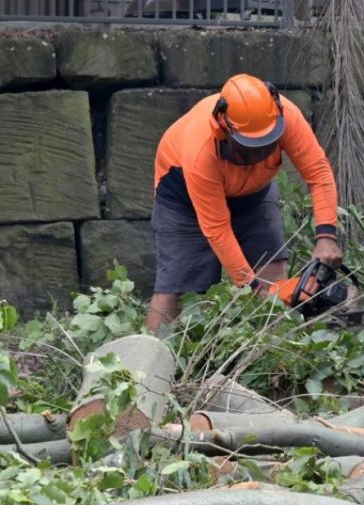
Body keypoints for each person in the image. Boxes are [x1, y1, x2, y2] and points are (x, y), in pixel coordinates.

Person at [145, 73, 343, 332]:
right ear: (223, 129)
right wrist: (251, 286)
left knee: (273, 274)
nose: (260, 152)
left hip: (254, 194)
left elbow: (318, 171)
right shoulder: (200, 151)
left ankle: (275, 348)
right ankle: (151, 351)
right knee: (176, 287)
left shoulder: (285, 116)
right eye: (250, 146)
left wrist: (326, 237)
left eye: (267, 144)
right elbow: (217, 228)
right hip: (185, 202)